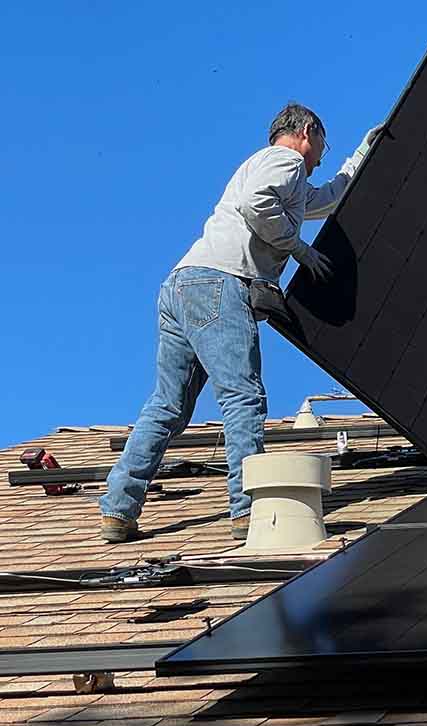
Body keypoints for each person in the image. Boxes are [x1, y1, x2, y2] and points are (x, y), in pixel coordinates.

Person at [99, 104, 382, 543]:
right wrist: (299, 250)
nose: (324, 155)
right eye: (324, 144)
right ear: (307, 132)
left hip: (182, 284)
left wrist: (363, 153)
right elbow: (257, 205)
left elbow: (327, 199)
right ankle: (247, 511)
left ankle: (118, 508)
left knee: (167, 407)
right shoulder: (284, 161)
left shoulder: (272, 170)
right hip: (220, 284)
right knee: (243, 396)